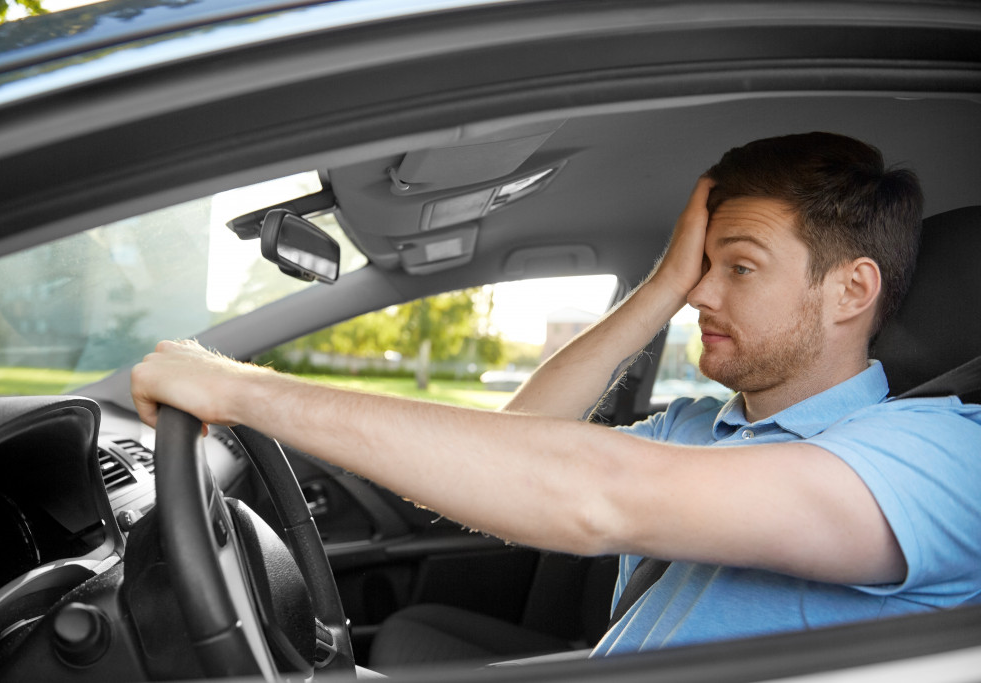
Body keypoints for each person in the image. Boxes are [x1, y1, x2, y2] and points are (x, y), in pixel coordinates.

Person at [130, 132, 981, 661]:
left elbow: (591, 492)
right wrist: (656, 287)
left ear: (850, 290)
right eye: (699, 265)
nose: (700, 295)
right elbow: (517, 447)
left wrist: (242, 388)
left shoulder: (940, 454)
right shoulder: (699, 426)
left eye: (740, 267)